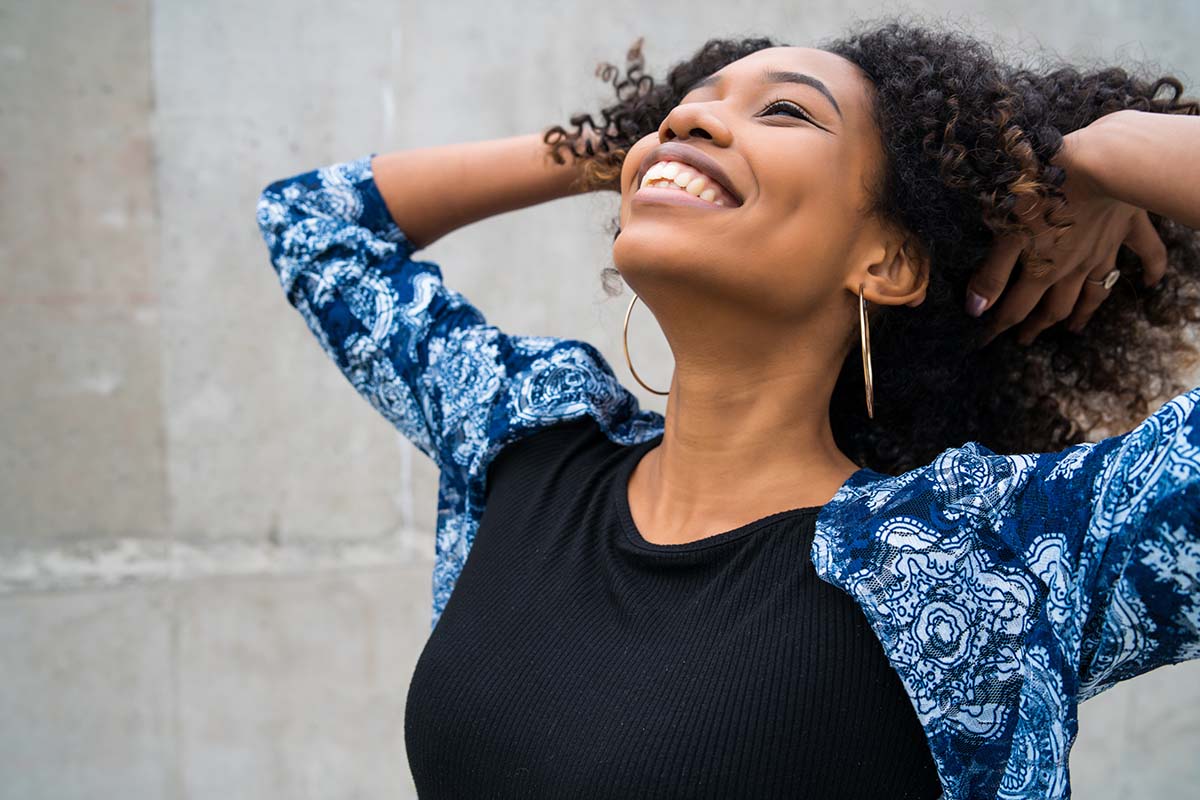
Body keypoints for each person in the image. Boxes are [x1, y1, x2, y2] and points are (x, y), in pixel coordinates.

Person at [254, 17, 1200, 800]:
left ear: (890, 262)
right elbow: (310, 222)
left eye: (786, 111)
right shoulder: (528, 442)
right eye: (680, 113)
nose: (687, 127)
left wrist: (1098, 152)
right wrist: (627, 147)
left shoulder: (999, 555)